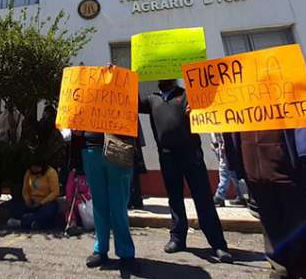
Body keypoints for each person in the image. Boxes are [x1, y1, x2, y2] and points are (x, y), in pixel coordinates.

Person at [225, 86, 306, 279]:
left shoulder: (285, 92)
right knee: (271, 227)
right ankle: (279, 271)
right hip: (255, 174)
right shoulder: (236, 101)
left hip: (288, 173)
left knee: (298, 226)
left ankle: (305, 271)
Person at [139, 79, 232, 263]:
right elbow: (131, 104)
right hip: (167, 156)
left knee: (203, 197)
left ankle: (218, 244)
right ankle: (178, 238)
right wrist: (120, 76)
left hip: (191, 154)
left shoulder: (187, 95)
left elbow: (209, 107)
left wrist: (195, 111)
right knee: (174, 197)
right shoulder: (152, 99)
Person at [75, 130, 137, 272]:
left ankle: (126, 253)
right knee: (98, 204)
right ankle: (100, 249)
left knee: (119, 205)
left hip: (120, 145)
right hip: (91, 147)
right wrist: (75, 128)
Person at [7, 160, 60, 229]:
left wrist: (42, 202)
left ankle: (22, 222)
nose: (34, 169)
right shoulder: (29, 172)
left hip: (46, 202)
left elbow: (55, 192)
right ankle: (33, 221)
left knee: (48, 211)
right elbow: (25, 190)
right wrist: (27, 200)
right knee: (14, 207)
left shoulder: (51, 172)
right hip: (32, 201)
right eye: (33, 167)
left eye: (37, 167)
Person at [211, 133, 247, 207]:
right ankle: (241, 195)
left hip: (224, 146)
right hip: (221, 146)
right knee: (232, 172)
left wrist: (223, 145)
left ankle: (220, 196)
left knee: (224, 171)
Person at [64, 166, 91, 235]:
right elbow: (69, 188)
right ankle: (72, 225)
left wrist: (83, 196)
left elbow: (94, 190)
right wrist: (69, 201)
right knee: (70, 207)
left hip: (89, 201)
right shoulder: (73, 174)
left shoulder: (93, 171)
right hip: (76, 201)